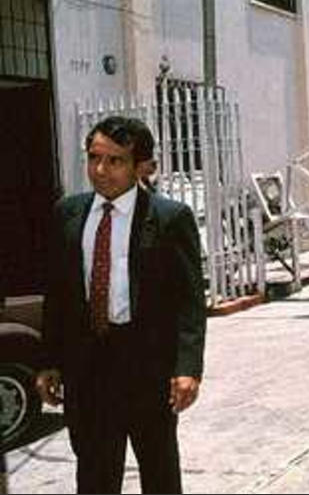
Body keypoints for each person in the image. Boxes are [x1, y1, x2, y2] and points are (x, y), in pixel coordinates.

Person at [36, 116, 206, 494]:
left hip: (147, 368)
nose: (101, 170)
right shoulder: (68, 213)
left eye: (115, 161)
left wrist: (188, 367)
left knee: (159, 471)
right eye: (95, 158)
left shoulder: (168, 218)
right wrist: (49, 361)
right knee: (94, 474)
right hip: (88, 369)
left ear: (140, 166)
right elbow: (59, 295)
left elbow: (190, 300)